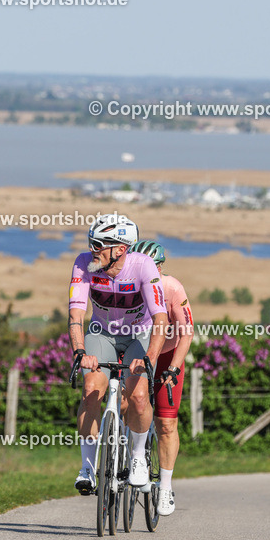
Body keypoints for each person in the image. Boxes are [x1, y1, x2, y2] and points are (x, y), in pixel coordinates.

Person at [68, 214, 168, 496]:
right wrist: (80, 351)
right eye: (91, 244)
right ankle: (87, 467)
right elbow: (76, 314)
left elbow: (160, 318)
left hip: (140, 333)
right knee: (91, 390)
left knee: (137, 397)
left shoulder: (143, 266)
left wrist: (149, 356)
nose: (92, 251)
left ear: (120, 249)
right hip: (101, 332)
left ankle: (138, 456)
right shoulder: (84, 263)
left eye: (98, 245)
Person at [130, 239, 193, 516]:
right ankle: (128, 455)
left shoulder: (172, 288)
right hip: (138, 352)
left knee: (166, 423)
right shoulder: (128, 288)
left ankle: (165, 486)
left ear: (160, 266)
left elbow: (187, 331)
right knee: (127, 403)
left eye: (151, 266)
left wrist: (174, 367)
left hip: (167, 355)